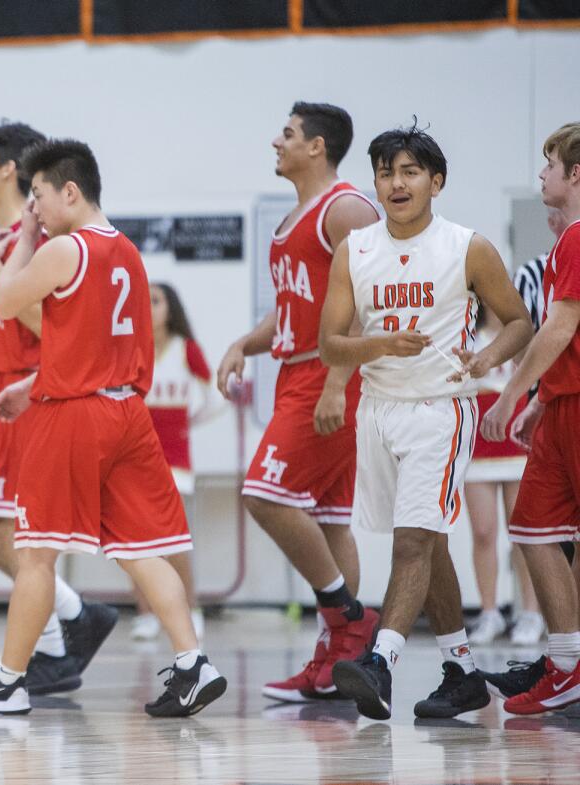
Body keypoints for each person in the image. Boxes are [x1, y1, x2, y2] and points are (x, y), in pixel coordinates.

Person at [0, 139, 225, 718]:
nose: (33, 209)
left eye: (38, 198)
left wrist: (20, 242)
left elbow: (5, 301)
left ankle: (9, 682)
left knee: (34, 553)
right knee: (141, 550)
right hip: (127, 414)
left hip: (75, 416)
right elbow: (85, 345)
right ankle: (192, 661)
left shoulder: (66, 249)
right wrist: (35, 383)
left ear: (69, 192)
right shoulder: (129, 253)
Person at [322, 124, 533, 720]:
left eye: (410, 171)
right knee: (424, 538)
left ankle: (380, 661)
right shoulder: (354, 251)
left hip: (443, 408)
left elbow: (519, 322)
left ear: (436, 182)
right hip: (379, 410)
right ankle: (462, 671)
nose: (396, 182)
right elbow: (332, 346)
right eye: (386, 172)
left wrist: (488, 359)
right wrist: (378, 344)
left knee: (415, 538)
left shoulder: (468, 247)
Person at [216, 102, 380, 702]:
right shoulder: (296, 217)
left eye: (286, 133)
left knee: (265, 495)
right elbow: (291, 305)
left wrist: (339, 380)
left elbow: (367, 299)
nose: (275, 142)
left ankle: (348, 618)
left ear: (317, 146)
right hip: (295, 370)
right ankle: (335, 663)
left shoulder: (347, 208)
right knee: (333, 519)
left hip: (326, 376)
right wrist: (244, 343)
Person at [0, 121, 116, 695]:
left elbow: (55, 330)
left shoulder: (36, 245)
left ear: (8, 170)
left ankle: (58, 634)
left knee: (1, 528)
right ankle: (68, 620)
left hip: (21, 393)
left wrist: (4, 280)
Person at [479, 123, 580, 715]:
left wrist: (512, 392)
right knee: (534, 527)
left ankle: (568, 663)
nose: (541, 174)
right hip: (562, 403)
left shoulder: (573, 238)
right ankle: (566, 660)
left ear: (575, 174)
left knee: (533, 529)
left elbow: (561, 325)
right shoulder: (565, 241)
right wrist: (542, 401)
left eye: (550, 164)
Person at [133, 282, 220, 641]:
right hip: (135, 460)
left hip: (176, 463)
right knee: (136, 542)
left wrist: (190, 422)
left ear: (171, 308)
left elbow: (216, 396)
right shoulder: (133, 348)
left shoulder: (187, 349)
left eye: (156, 301)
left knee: (176, 541)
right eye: (145, 301)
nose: (150, 308)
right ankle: (146, 614)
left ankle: (192, 608)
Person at [463, 304, 536, 645]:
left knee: (522, 532)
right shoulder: (468, 335)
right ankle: (489, 612)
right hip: (478, 441)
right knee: (482, 531)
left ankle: (531, 614)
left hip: (515, 439)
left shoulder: (520, 336)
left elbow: (535, 374)